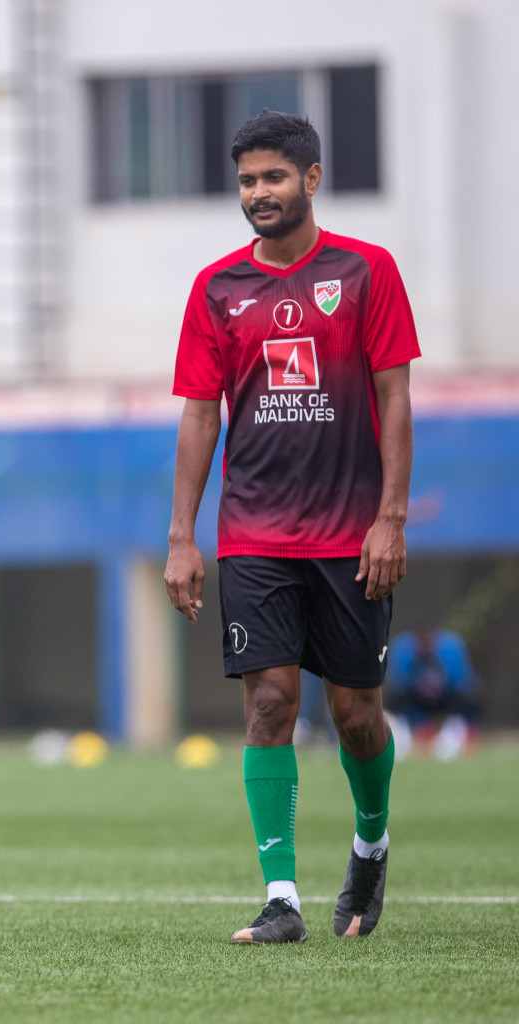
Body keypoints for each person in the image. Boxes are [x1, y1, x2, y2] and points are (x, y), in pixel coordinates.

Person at [164, 111, 418, 944]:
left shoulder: (367, 271)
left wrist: (390, 519)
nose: (258, 194)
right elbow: (201, 417)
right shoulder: (216, 289)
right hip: (253, 532)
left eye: (274, 177)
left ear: (311, 179)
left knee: (355, 714)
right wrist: (181, 536)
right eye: (246, 181)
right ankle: (283, 898)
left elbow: (393, 398)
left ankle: (371, 843)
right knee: (270, 703)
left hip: (351, 535)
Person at [385, 629, 480, 752]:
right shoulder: (404, 649)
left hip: (444, 696)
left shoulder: (451, 648)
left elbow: (463, 681)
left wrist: (438, 689)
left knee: (464, 699)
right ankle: (404, 734)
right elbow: (398, 681)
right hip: (417, 698)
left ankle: (456, 733)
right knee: (397, 699)